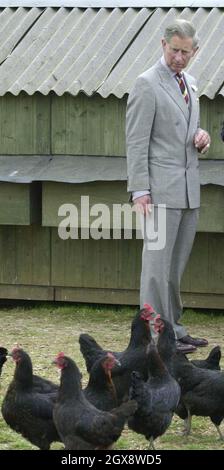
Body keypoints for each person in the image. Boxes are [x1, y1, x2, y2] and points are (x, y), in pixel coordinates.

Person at [126, 19, 211, 354]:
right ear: (163, 45)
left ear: (194, 51)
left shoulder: (189, 81)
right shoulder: (146, 84)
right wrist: (140, 191)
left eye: (185, 52)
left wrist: (200, 138)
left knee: (174, 268)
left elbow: (183, 131)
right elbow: (136, 142)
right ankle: (154, 338)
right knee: (156, 270)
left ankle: (174, 330)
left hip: (189, 192)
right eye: (174, 50)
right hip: (158, 193)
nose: (179, 57)